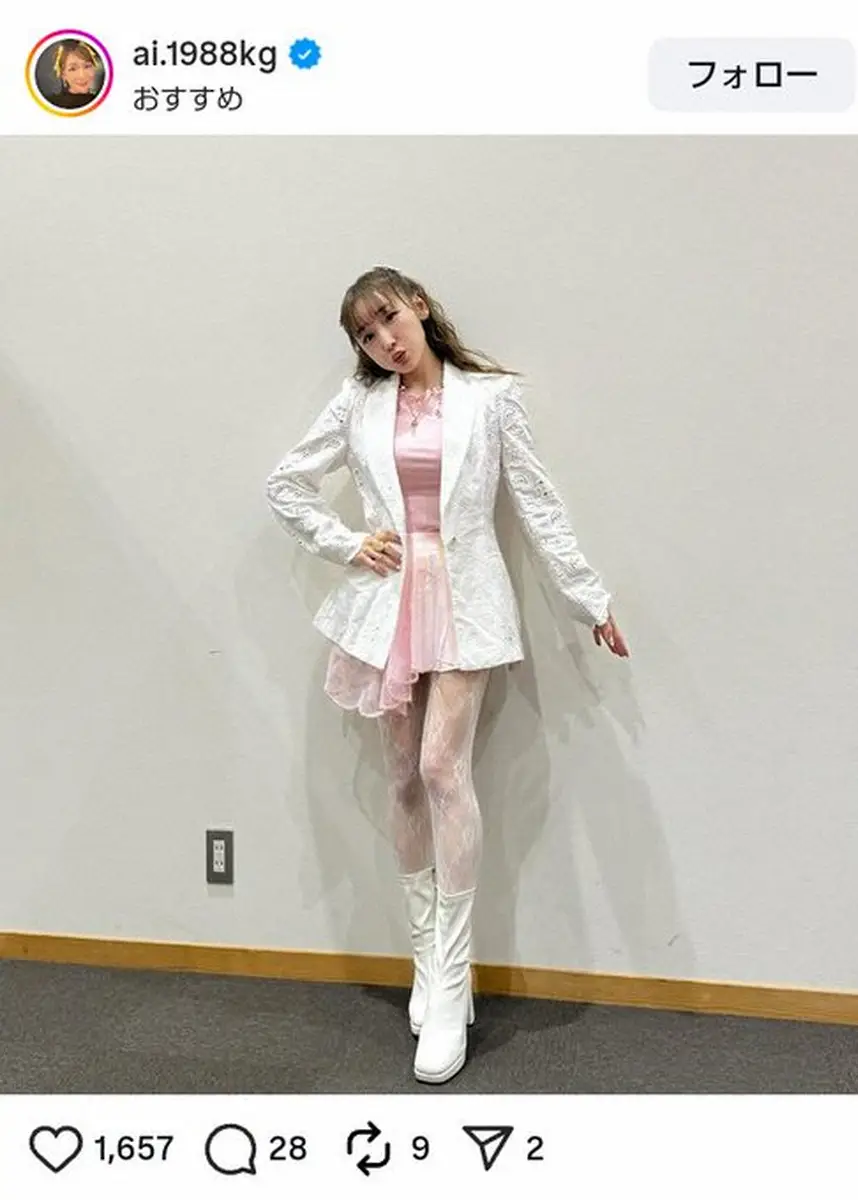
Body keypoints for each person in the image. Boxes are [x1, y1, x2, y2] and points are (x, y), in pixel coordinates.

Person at [265, 266, 629, 1084]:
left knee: (440, 767)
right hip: (388, 603)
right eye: (365, 334)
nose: (384, 341)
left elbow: (537, 503)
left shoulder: (491, 399)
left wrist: (587, 597)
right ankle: (428, 967)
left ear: (420, 306)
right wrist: (346, 542)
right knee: (401, 777)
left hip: (466, 601)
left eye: (389, 318)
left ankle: (454, 975)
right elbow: (285, 485)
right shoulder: (358, 405)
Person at [47, 40, 102, 109]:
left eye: (87, 66)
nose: (82, 75)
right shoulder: (50, 105)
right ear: (63, 74)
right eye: (73, 69)